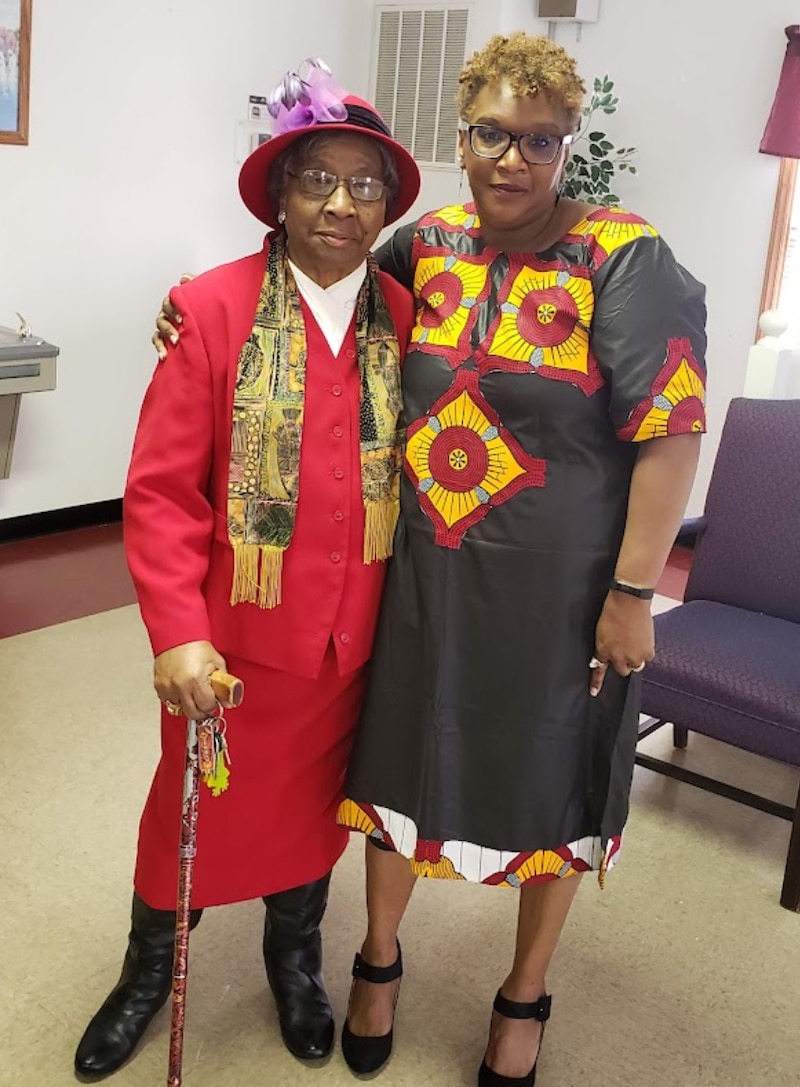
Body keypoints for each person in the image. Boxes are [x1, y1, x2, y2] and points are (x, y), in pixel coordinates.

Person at [154, 33, 707, 1087]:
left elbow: (670, 429)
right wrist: (194, 307)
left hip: (565, 597)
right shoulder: (427, 244)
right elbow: (310, 298)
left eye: (538, 142)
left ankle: (523, 993)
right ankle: (376, 959)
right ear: (460, 138)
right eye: (492, 134)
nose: (512, 158)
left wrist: (633, 592)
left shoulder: (624, 257)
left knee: (553, 780)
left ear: (563, 147)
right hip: (421, 580)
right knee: (399, 762)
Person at [74, 60, 419, 1080]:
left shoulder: (406, 319)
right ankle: (146, 968)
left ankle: (295, 955)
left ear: (386, 206)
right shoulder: (212, 309)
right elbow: (161, 491)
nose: (339, 203)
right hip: (228, 646)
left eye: (365, 185)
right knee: (183, 807)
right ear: (280, 191)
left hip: (353, 636)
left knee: (314, 810)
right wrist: (177, 628)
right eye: (317, 177)